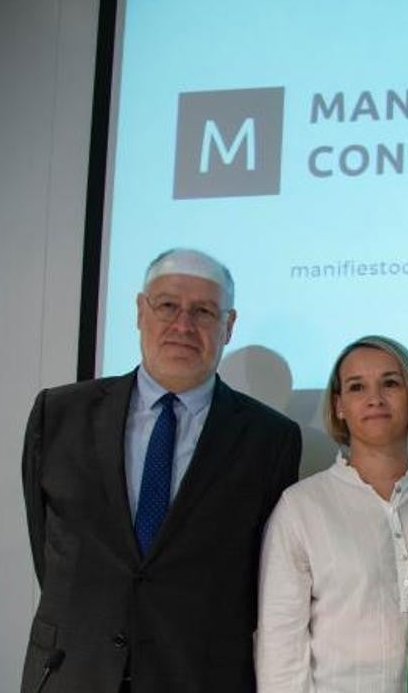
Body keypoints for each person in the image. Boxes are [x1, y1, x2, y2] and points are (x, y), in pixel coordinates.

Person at [20, 248, 302, 693]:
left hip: (202, 675)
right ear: (139, 311)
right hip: (73, 671)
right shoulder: (59, 414)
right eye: (168, 305)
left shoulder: (270, 439)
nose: (183, 325)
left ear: (228, 326)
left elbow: (260, 576)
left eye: (204, 311)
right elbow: (47, 546)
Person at [256, 335, 408, 692]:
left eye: (390, 383)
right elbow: (281, 647)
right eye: (357, 387)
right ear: (339, 405)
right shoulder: (301, 507)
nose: (375, 399)